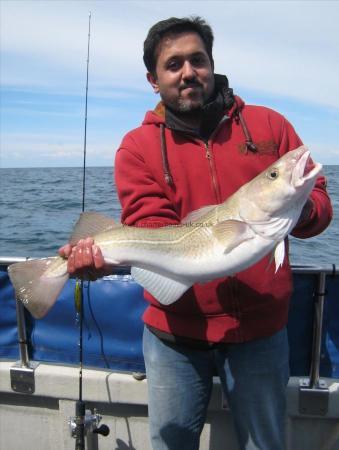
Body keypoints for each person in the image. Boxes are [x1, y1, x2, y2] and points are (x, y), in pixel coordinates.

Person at [60, 17, 333, 450]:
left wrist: (296, 210)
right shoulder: (137, 147)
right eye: (173, 65)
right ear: (154, 79)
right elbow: (150, 226)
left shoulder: (269, 126)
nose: (188, 72)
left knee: (267, 444)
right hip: (174, 334)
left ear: (211, 63)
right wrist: (105, 256)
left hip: (260, 331)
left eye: (197, 59)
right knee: (171, 445)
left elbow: (318, 202)